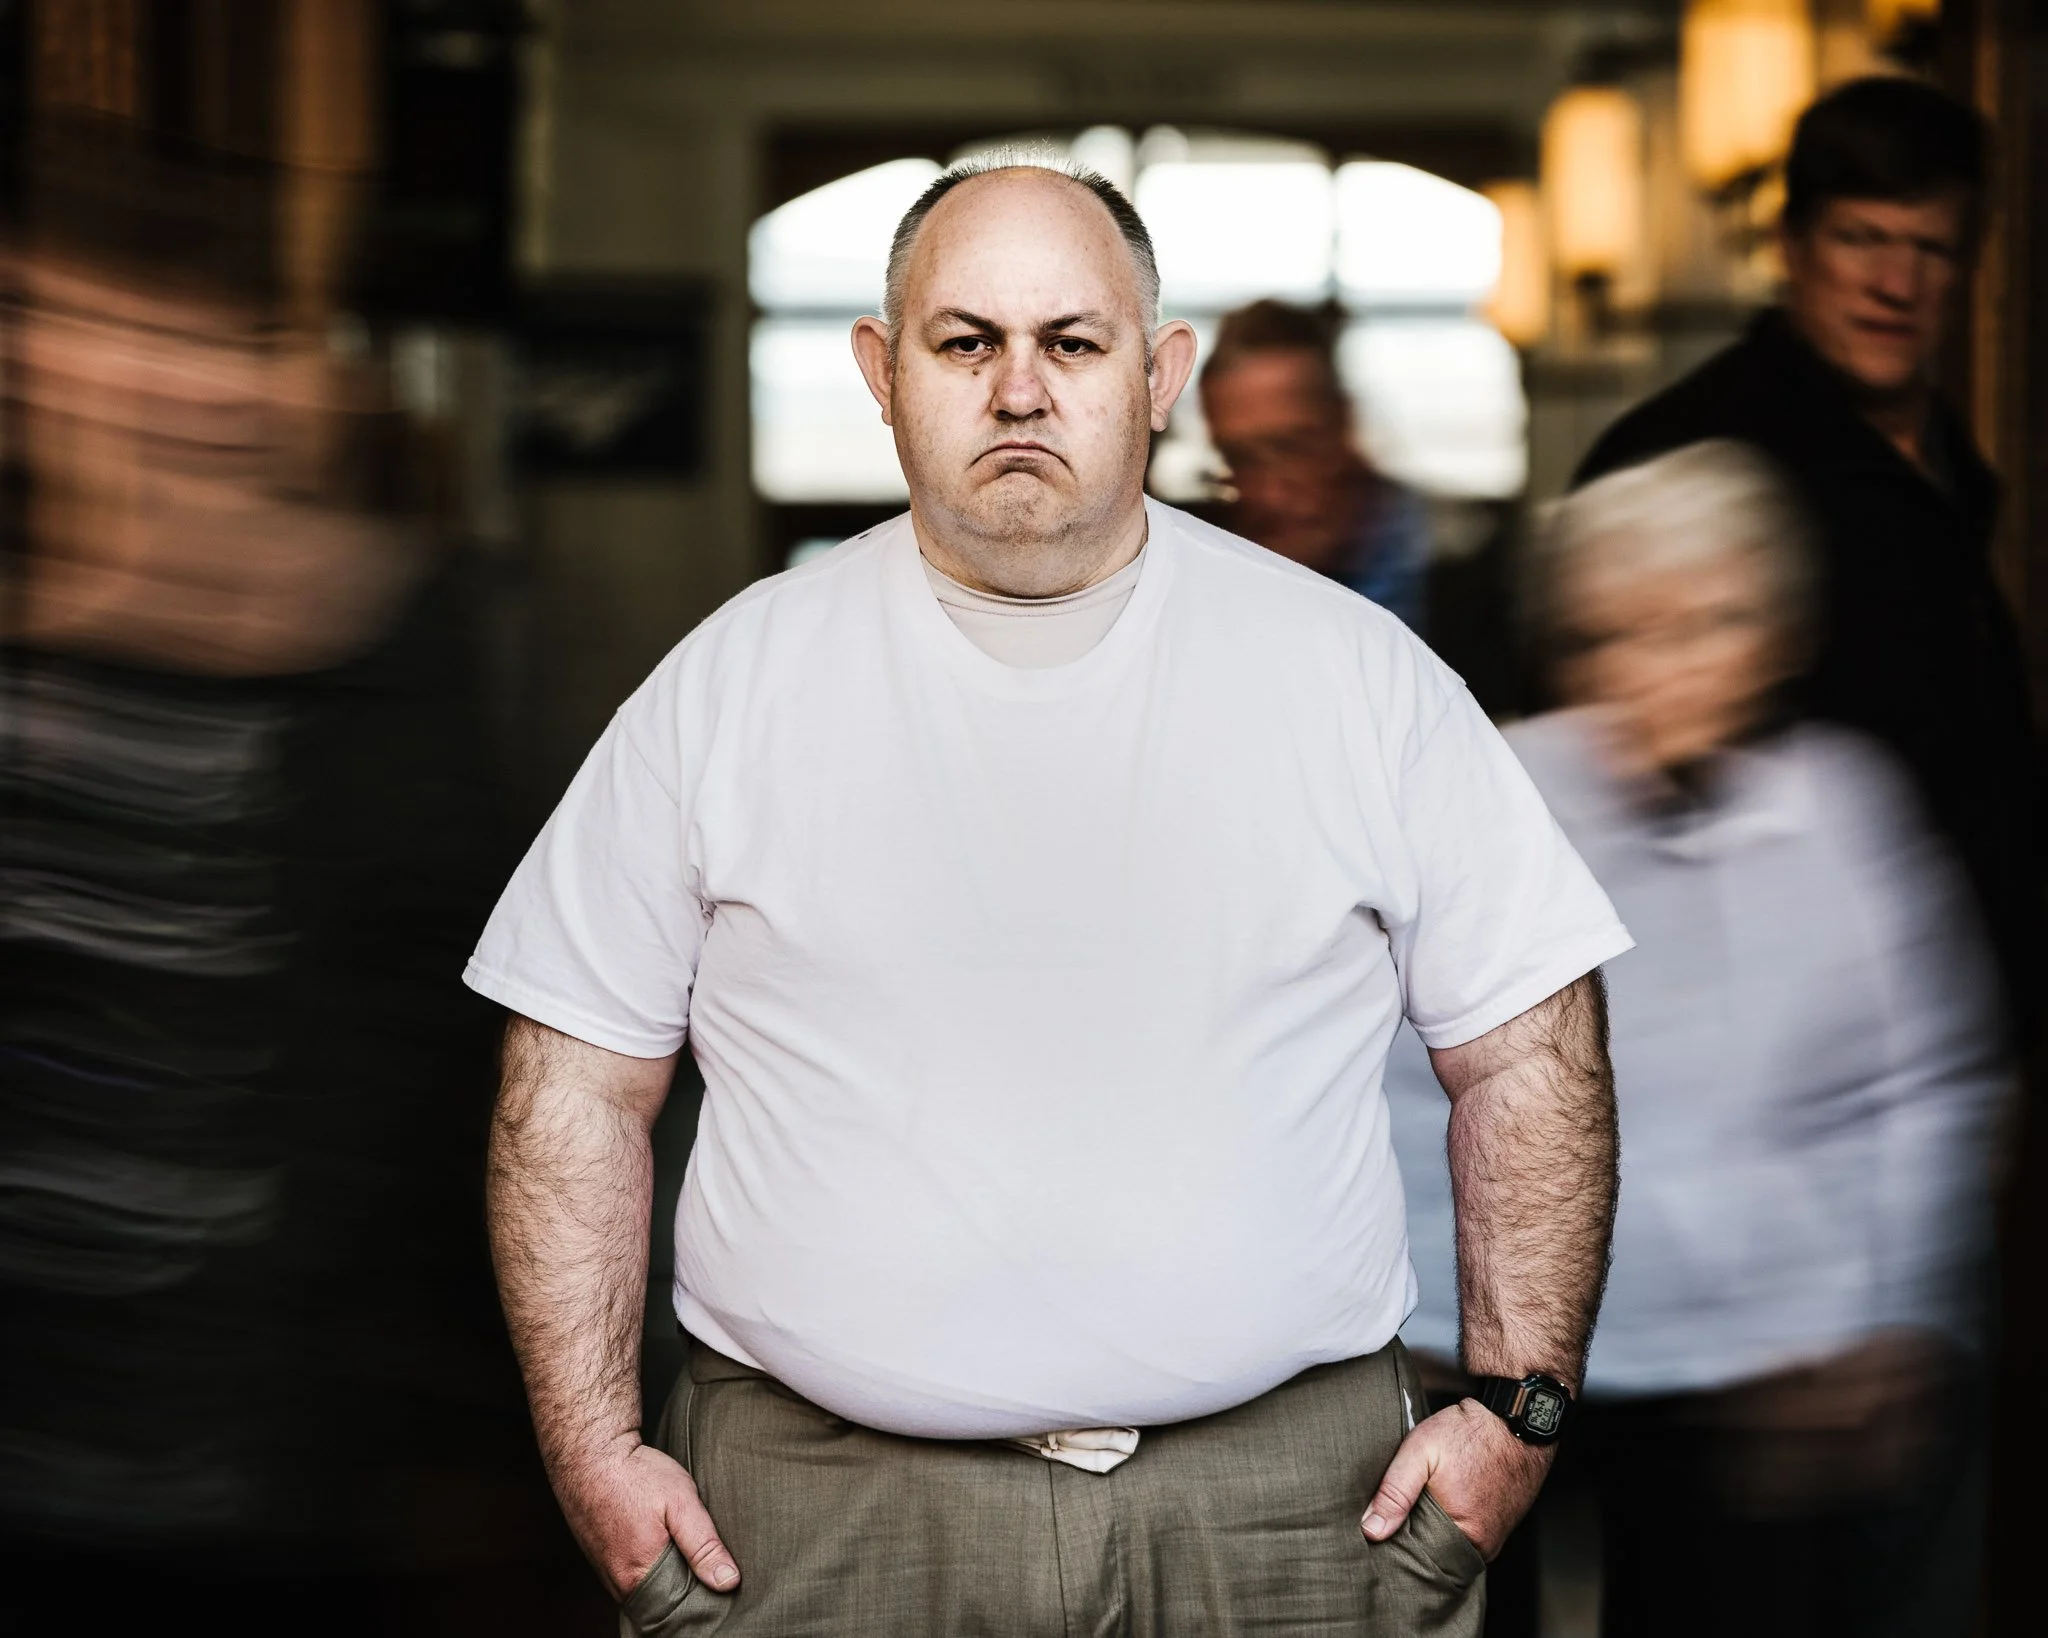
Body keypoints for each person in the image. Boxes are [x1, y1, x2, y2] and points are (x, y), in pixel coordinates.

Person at [469, 158, 1634, 1637]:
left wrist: (1521, 1415)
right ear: (881, 374)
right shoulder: (725, 685)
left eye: (1071, 343)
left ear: (1159, 376)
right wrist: (590, 1449)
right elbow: (571, 1081)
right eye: (966, 341)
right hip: (814, 1521)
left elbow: (1531, 1050)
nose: (1018, 389)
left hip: (1296, 1516)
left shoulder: (1360, 678)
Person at [1386, 441, 2009, 1638]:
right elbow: (1411, 1077)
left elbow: (1921, 1088)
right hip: (1506, 1355)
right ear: (1577, 643)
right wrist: (1420, 1317)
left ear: (1772, 638)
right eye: (1628, 630)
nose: (1665, 665)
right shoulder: (1501, 794)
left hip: (1750, 1373)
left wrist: (1883, 1316)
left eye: (1710, 624)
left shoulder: (1840, 812)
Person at [1573, 75, 2038, 1039]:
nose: (1896, 282)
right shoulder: (1685, 452)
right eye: (1861, 238)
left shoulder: (1956, 462)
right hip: (1768, 1028)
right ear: (1791, 246)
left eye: (1931, 248)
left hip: (1957, 1013)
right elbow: (1596, 793)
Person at [1198, 298, 1432, 630]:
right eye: (1239, 460)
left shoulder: (1458, 573)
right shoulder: (1208, 581)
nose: (1270, 493)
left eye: (1292, 449)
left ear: (1343, 424)